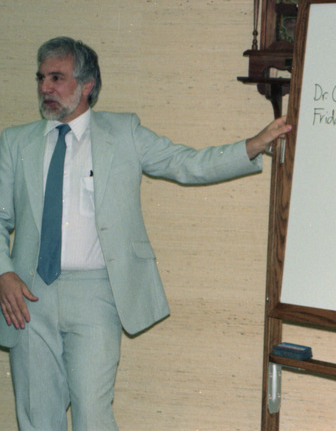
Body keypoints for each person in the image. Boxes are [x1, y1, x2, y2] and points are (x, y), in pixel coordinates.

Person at [0, 36, 292, 430]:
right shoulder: (15, 143)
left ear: (87, 86)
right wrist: (4, 272)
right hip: (28, 296)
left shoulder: (124, 133)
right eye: (41, 78)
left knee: (93, 413)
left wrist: (253, 145)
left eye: (57, 77)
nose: (45, 88)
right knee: (37, 416)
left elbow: (187, 164)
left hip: (97, 294)